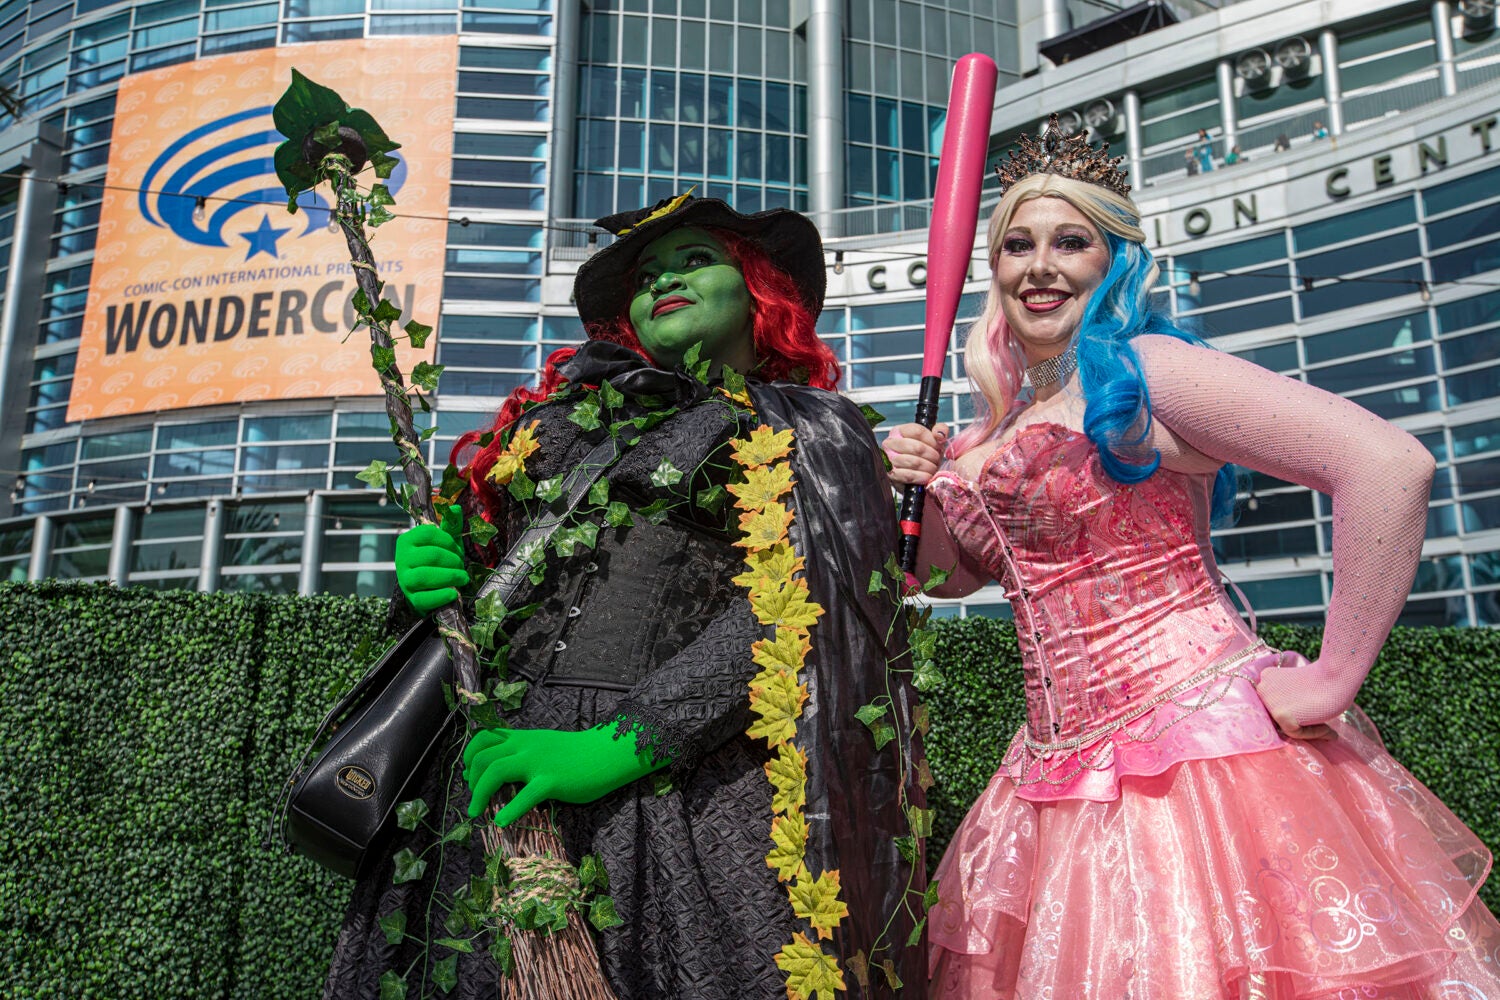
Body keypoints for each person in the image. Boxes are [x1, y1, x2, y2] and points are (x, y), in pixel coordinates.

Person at [883, 115, 1500, 998]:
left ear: (1114, 261)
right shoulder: (989, 432)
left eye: (1071, 242)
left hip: (1203, 759)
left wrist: (1331, 680)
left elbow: (1388, 465)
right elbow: (943, 577)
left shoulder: (1149, 370)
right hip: (1046, 784)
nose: (1040, 266)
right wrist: (906, 487)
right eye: (1018, 245)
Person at [324, 195, 925, 998]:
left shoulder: (812, 429)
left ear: (759, 290)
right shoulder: (555, 423)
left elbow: (804, 610)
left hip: (677, 793)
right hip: (493, 768)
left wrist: (617, 746)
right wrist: (427, 578)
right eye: (647, 274)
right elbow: (481, 595)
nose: (665, 280)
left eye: (694, 260)